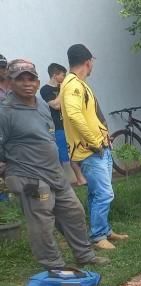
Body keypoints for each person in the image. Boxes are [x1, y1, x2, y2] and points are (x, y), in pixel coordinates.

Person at [0, 59, 108, 269]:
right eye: (20, 79)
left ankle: (84, 255)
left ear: (38, 82)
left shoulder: (41, 105)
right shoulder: (5, 111)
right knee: (42, 222)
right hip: (29, 176)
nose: (26, 83)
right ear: (9, 82)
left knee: (74, 212)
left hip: (54, 173)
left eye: (30, 78)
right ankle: (54, 265)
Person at [60, 43, 127, 251]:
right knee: (105, 194)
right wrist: (94, 141)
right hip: (91, 150)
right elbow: (74, 115)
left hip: (98, 147)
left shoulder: (78, 83)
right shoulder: (73, 85)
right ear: (88, 62)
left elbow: (88, 116)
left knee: (96, 193)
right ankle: (98, 236)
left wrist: (103, 137)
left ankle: (104, 230)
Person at [40, 63, 88, 186]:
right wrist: (64, 88)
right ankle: (61, 183)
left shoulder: (65, 87)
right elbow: (56, 105)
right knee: (62, 156)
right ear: (55, 75)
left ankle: (81, 179)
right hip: (58, 127)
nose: (65, 77)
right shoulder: (45, 89)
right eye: (63, 75)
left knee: (78, 151)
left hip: (72, 124)